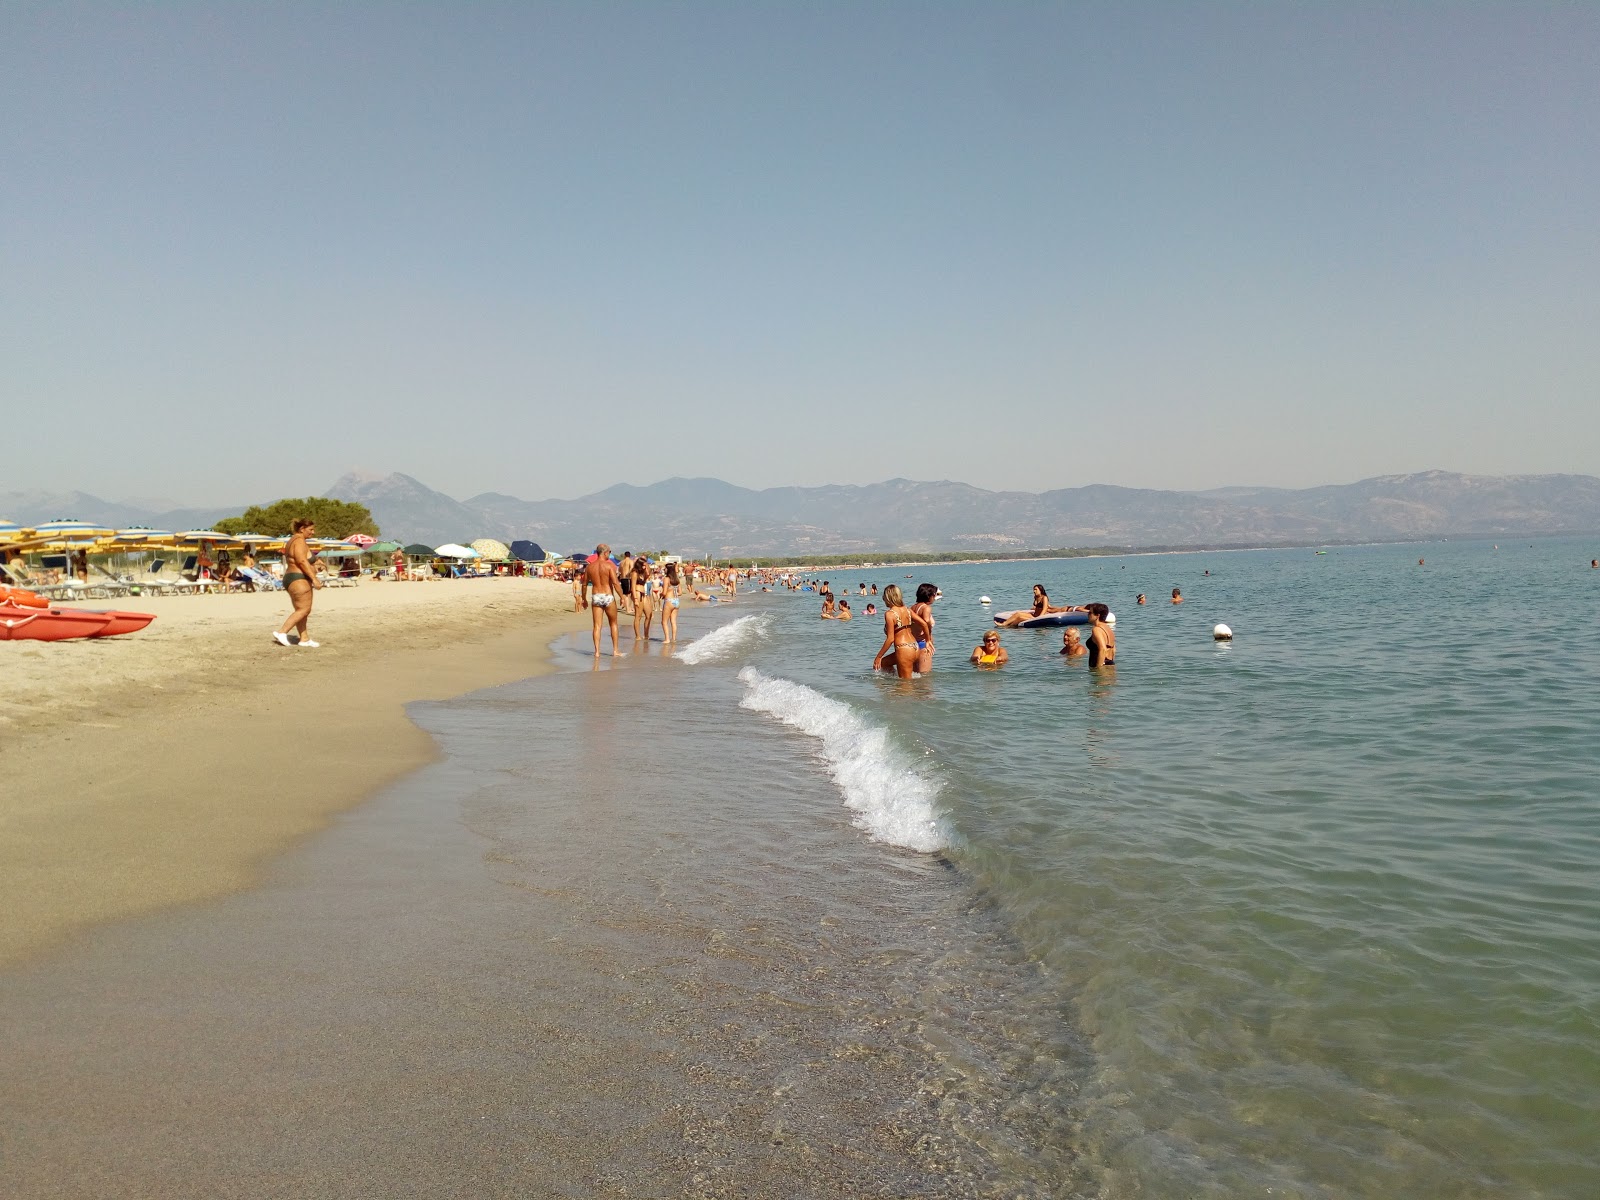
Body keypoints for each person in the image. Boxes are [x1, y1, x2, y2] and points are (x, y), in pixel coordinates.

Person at [272, 518, 323, 647]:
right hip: (298, 579)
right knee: (304, 609)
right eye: (310, 529)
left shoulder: (293, 541)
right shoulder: (299, 541)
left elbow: (305, 559)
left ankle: (304, 638)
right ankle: (282, 632)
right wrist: (314, 579)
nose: (313, 532)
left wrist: (317, 562)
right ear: (302, 529)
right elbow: (301, 561)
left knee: (301, 610)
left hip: (292, 577)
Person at [872, 584, 930, 679]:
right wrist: (928, 641)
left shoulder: (889, 614)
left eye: (884, 597)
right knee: (884, 663)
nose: (883, 599)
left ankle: (905, 690)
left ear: (888, 598)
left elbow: (890, 639)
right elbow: (924, 624)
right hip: (915, 647)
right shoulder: (907, 610)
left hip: (903, 649)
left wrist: (878, 656)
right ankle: (895, 684)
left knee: (905, 686)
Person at [584, 544, 623, 656]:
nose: (610, 554)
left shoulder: (590, 567)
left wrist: (583, 598)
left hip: (596, 596)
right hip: (608, 596)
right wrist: (622, 597)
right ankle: (615, 650)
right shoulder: (609, 566)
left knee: (597, 626)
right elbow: (615, 583)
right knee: (613, 624)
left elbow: (584, 585)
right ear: (605, 552)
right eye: (609, 552)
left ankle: (597, 652)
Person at [998, 584, 1082, 628]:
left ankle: (1004, 624)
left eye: (1035, 589)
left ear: (1040, 590)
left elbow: (1044, 609)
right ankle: (1008, 625)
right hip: (1034, 615)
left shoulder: (1044, 598)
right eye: (1033, 589)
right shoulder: (1036, 597)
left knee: (1019, 616)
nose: (1034, 591)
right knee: (1018, 614)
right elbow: (1037, 607)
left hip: (1038, 617)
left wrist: (1037, 619)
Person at [912, 582, 937, 673]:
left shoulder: (912, 608)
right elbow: (926, 622)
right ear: (929, 596)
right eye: (934, 595)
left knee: (915, 677)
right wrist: (928, 640)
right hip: (923, 644)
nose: (934, 597)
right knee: (925, 678)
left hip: (912, 644)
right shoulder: (926, 608)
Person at [631, 556, 655, 641]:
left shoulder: (642, 573)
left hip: (642, 592)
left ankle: (646, 634)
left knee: (649, 614)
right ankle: (637, 635)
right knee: (638, 616)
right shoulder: (635, 573)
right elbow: (633, 587)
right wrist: (635, 599)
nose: (645, 567)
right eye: (644, 565)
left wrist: (646, 569)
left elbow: (647, 576)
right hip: (637, 593)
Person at [660, 562, 681, 643]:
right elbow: (680, 593)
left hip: (669, 601)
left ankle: (667, 639)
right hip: (676, 600)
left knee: (664, 621)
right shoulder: (676, 579)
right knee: (673, 621)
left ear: (668, 570)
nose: (664, 570)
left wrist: (661, 595)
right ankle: (674, 638)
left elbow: (664, 592)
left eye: (665, 568)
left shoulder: (666, 579)